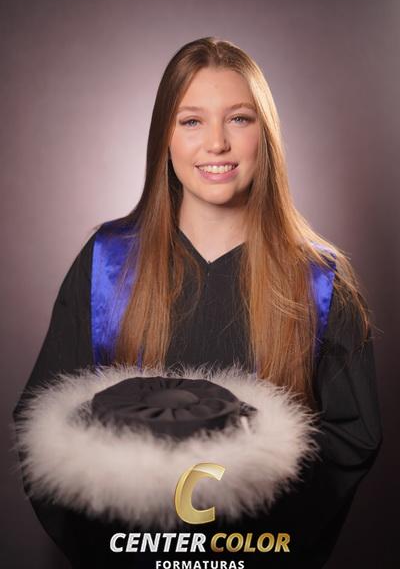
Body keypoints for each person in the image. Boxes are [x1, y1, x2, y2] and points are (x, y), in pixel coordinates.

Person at [13, 36, 382, 568]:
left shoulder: (322, 282)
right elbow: (46, 424)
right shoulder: (107, 264)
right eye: (191, 121)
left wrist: (238, 548)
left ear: (265, 135)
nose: (216, 143)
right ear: (164, 136)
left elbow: (351, 438)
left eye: (239, 119)